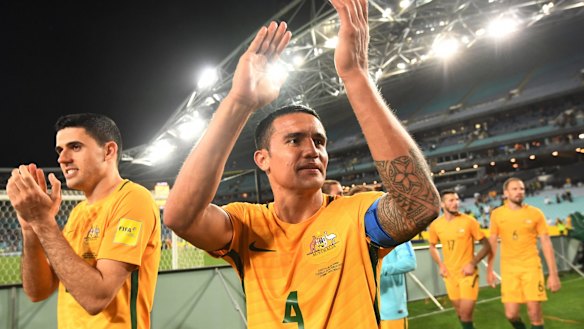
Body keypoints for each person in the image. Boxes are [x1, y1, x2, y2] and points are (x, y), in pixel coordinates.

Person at [163, 0, 440, 327]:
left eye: (319, 141)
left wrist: (355, 75)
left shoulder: (356, 216)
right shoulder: (247, 225)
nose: (312, 150)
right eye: (294, 140)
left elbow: (419, 205)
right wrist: (239, 102)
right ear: (262, 159)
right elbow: (179, 217)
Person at [6, 113, 161, 329]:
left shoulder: (133, 199)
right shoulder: (78, 213)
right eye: (60, 150)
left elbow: (96, 299)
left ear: (108, 151)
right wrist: (30, 227)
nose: (62, 158)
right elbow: (37, 291)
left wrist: (43, 222)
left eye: (75, 147)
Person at [487, 177, 561, 329]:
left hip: (531, 267)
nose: (519, 192)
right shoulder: (497, 214)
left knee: (534, 313)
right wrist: (489, 269)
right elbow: (492, 243)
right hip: (509, 270)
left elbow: (546, 243)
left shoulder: (535, 213)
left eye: (521, 189)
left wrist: (553, 274)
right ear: (505, 193)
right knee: (511, 315)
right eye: (515, 189)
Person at [428, 190, 490, 329]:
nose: (456, 203)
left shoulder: (469, 221)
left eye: (457, 199)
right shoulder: (436, 225)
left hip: (468, 274)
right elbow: (432, 247)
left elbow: (487, 245)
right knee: (460, 313)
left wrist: (472, 263)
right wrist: (441, 265)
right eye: (451, 200)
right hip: (450, 275)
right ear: (442, 204)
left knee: (466, 314)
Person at [379, 241, 417, 329]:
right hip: (368, 309)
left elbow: (410, 263)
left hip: (391, 309)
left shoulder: (400, 236)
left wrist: (379, 269)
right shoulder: (361, 234)